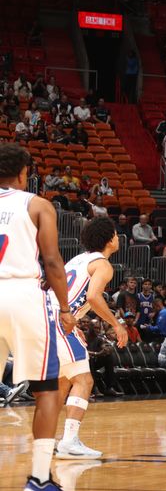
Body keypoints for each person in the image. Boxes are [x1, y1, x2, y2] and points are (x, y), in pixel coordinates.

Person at [0, 143, 73, 490]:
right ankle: (40, 479)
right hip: (22, 295)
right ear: (23, 172)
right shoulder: (37, 204)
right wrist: (66, 307)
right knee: (46, 388)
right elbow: (53, 261)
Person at [54, 217, 128, 460]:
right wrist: (117, 324)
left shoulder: (78, 259)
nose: (118, 237)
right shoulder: (104, 265)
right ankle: (69, 442)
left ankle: (47, 439)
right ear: (108, 239)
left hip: (47, 317)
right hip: (58, 321)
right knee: (84, 380)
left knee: (64, 382)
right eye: (116, 233)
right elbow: (94, 297)